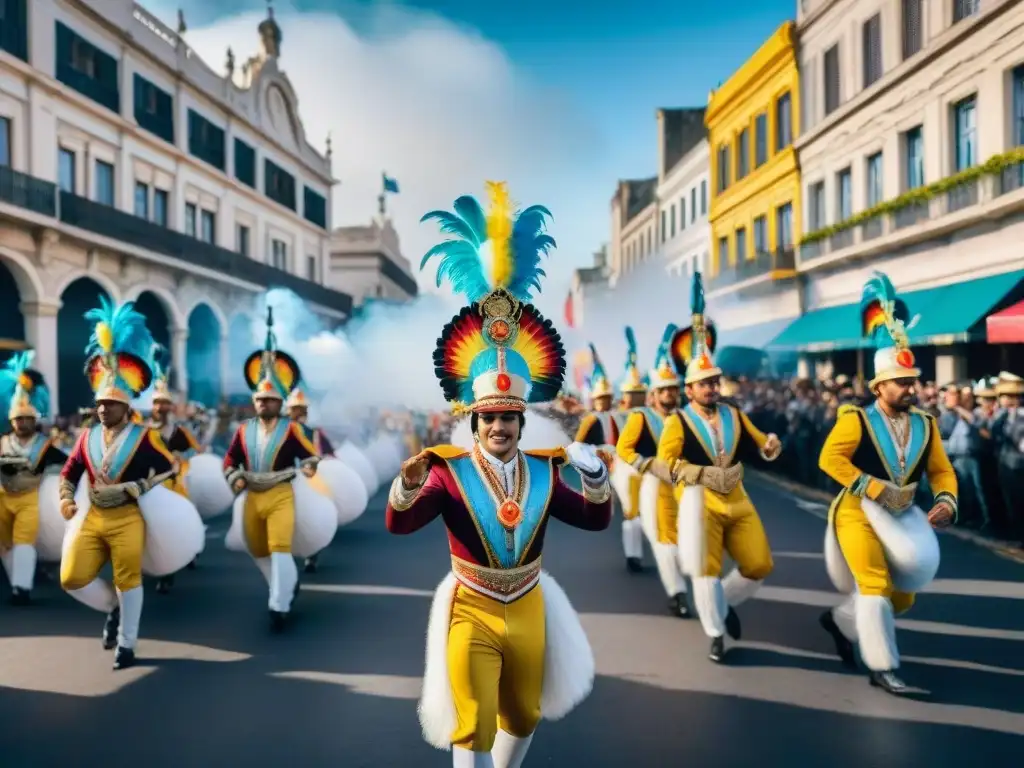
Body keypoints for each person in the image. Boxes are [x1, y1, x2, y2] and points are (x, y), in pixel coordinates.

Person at [387, 182, 612, 768]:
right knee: (473, 722)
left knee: (524, 715)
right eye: (490, 418)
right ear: (474, 418)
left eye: (510, 418)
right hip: (473, 604)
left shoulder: (544, 471)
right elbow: (399, 526)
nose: (500, 428)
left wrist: (592, 477)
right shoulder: (449, 472)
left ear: (520, 420)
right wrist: (408, 484)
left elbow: (593, 521)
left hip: (530, 602)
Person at [818, 271, 957, 695]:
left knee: (903, 596)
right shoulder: (856, 418)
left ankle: (841, 622)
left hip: (902, 512)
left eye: (912, 381)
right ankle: (883, 668)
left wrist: (948, 501)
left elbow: (941, 470)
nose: (910, 388)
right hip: (857, 512)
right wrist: (874, 488)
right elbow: (830, 459)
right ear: (880, 386)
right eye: (901, 383)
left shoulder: (926, 424)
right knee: (875, 585)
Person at [656, 271, 781, 662]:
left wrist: (773, 445)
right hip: (701, 503)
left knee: (759, 563)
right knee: (706, 569)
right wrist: (699, 474)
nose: (712, 388)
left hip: (739, 498)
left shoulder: (734, 413)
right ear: (689, 390)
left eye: (715, 381)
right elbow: (664, 465)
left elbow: (765, 445)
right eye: (704, 383)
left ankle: (722, 603)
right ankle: (714, 631)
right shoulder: (677, 422)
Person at [58, 298, 182, 669]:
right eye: (99, 403)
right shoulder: (85, 436)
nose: (102, 409)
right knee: (71, 577)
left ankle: (127, 645)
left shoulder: (144, 437)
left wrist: (137, 488)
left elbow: (170, 468)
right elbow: (69, 472)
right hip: (93, 515)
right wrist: (66, 498)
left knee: (129, 579)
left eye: (110, 404)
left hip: (128, 516)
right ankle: (110, 608)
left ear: (125, 407)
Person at [222, 308, 323, 631]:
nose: (264, 404)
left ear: (279, 404)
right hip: (251, 493)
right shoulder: (242, 430)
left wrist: (308, 467)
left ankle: (278, 605)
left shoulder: (292, 429)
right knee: (256, 548)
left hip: (281, 492)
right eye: (260, 400)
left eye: (269, 400)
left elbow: (310, 456)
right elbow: (229, 461)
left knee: (280, 547)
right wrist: (235, 477)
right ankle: (284, 585)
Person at [616, 323, 692, 617]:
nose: (670, 394)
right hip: (651, 482)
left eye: (674, 389)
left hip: (685, 483)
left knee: (689, 539)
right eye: (664, 390)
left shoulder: (687, 418)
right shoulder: (640, 416)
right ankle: (677, 593)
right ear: (655, 394)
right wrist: (646, 466)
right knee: (662, 540)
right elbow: (625, 449)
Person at [0, 352, 67, 605]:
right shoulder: (2, 442)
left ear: (34, 421)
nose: (23, 423)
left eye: (27, 419)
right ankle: (16, 583)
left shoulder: (45, 445)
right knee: (4, 544)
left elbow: (68, 464)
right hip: (2, 500)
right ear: (12, 421)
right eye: (19, 419)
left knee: (24, 542)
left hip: (28, 500)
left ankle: (22, 589)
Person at [147, 355, 204, 593]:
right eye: (158, 403)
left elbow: (195, 449)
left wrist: (182, 457)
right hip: (152, 484)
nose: (161, 408)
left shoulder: (180, 431)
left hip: (176, 483)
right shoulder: (145, 431)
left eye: (165, 403)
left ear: (171, 407)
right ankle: (162, 567)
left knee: (179, 521)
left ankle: (187, 550)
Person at [608, 327, 648, 572]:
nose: (636, 397)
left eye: (639, 393)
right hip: (623, 466)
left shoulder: (653, 415)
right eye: (632, 393)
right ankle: (633, 555)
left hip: (648, 466)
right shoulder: (617, 415)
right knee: (631, 511)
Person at [286, 386, 334, 574]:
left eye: (300, 408)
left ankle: (311, 554)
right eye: (294, 408)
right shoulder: (280, 430)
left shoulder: (312, 431)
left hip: (308, 477)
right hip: (287, 476)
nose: (297, 412)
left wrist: (314, 463)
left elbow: (320, 451)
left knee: (314, 514)